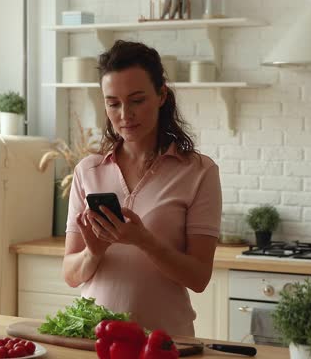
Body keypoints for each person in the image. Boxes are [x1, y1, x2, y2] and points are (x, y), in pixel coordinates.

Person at [62, 40, 222, 336]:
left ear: (161, 94)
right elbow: (71, 275)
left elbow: (199, 277)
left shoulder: (199, 172)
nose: (125, 114)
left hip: (165, 344)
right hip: (94, 340)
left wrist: (144, 240)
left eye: (137, 100)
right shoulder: (88, 171)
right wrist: (93, 253)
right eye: (113, 103)